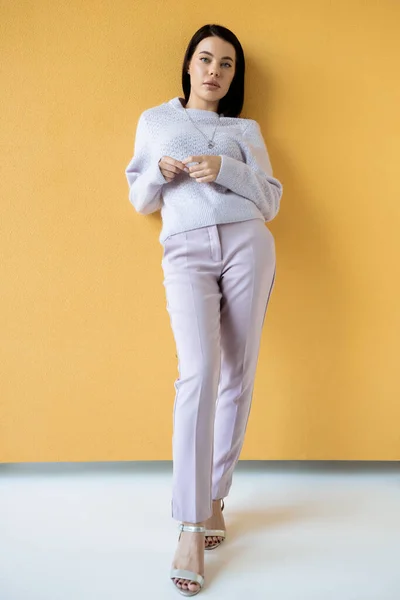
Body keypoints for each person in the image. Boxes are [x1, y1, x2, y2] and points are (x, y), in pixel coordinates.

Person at [125, 23, 283, 597]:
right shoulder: (155, 121)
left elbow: (269, 199)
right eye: (206, 60)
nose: (215, 72)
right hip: (186, 249)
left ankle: (215, 497)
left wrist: (228, 170)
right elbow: (139, 196)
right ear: (188, 65)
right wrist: (158, 174)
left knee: (239, 373)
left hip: (247, 244)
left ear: (233, 76)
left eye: (227, 65)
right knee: (198, 374)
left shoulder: (245, 129)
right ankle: (190, 524)